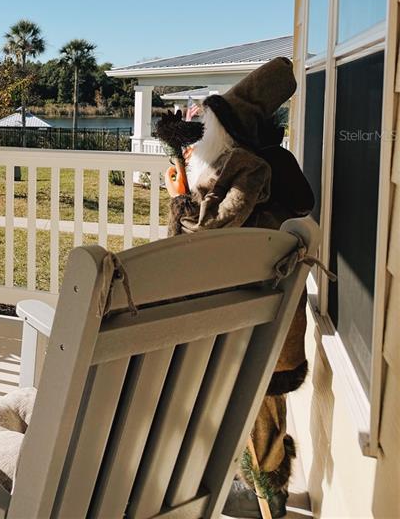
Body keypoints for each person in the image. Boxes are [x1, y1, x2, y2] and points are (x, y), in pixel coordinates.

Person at [158, 57, 314, 519]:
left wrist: (177, 198)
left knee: (247, 399)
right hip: (270, 314)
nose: (198, 136)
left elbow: (206, 237)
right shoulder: (268, 171)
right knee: (261, 401)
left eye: (205, 125)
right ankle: (265, 483)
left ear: (224, 132)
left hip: (249, 319)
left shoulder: (247, 175)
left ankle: (265, 491)